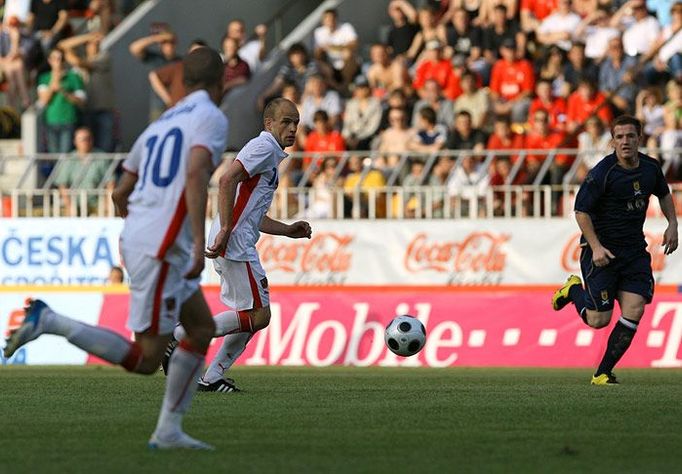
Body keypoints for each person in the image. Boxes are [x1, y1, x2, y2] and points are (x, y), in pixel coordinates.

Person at [4, 47, 229, 449]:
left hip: (145, 236)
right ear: (220, 82)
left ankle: (169, 431)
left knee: (201, 327)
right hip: (163, 245)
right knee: (146, 358)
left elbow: (120, 191)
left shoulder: (161, 124)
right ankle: (50, 322)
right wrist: (197, 240)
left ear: (183, 81)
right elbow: (196, 173)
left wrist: (143, 222)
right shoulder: (210, 117)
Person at [167, 98, 312, 392]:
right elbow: (225, 181)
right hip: (234, 244)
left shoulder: (271, 156)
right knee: (259, 315)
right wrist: (225, 229)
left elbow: (253, 215)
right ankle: (183, 335)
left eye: (296, 122)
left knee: (250, 316)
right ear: (268, 124)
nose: (293, 128)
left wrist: (286, 230)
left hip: (235, 240)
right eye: (286, 121)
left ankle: (212, 377)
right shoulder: (262, 147)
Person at [551, 115, 678, 385]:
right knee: (598, 320)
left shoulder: (650, 168)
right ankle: (573, 289)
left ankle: (602, 373)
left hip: (633, 252)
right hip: (602, 253)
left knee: (635, 308)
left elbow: (664, 194)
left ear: (639, 138)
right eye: (619, 137)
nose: (625, 142)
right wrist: (595, 246)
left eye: (630, 136)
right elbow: (581, 211)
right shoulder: (601, 173)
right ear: (612, 141)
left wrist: (672, 224)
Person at [53, 126, 113, 216]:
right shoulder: (69, 159)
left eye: (87, 139)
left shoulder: (102, 157)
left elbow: (110, 183)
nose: (85, 142)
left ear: (92, 140)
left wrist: (108, 204)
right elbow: (62, 185)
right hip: (75, 203)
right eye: (81, 139)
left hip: (96, 203)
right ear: (75, 141)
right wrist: (69, 206)